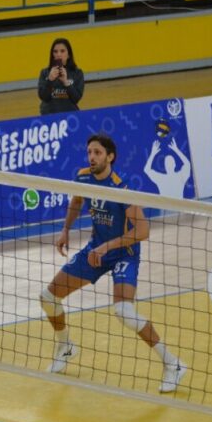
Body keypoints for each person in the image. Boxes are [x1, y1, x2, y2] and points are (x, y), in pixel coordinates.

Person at [38, 133, 188, 393]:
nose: (92, 157)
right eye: (89, 153)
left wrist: (107, 246)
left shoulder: (120, 187)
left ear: (110, 157)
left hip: (124, 253)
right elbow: (76, 201)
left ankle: (173, 364)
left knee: (123, 311)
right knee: (47, 297)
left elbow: (143, 231)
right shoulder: (84, 177)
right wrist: (65, 230)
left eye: (97, 153)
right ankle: (65, 346)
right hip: (96, 250)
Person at [37, 37, 84, 116]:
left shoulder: (77, 73)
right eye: (55, 51)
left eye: (62, 51)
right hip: (49, 115)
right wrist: (50, 80)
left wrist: (66, 82)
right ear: (52, 55)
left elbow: (76, 99)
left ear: (68, 54)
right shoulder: (45, 73)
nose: (59, 54)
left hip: (70, 115)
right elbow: (44, 97)